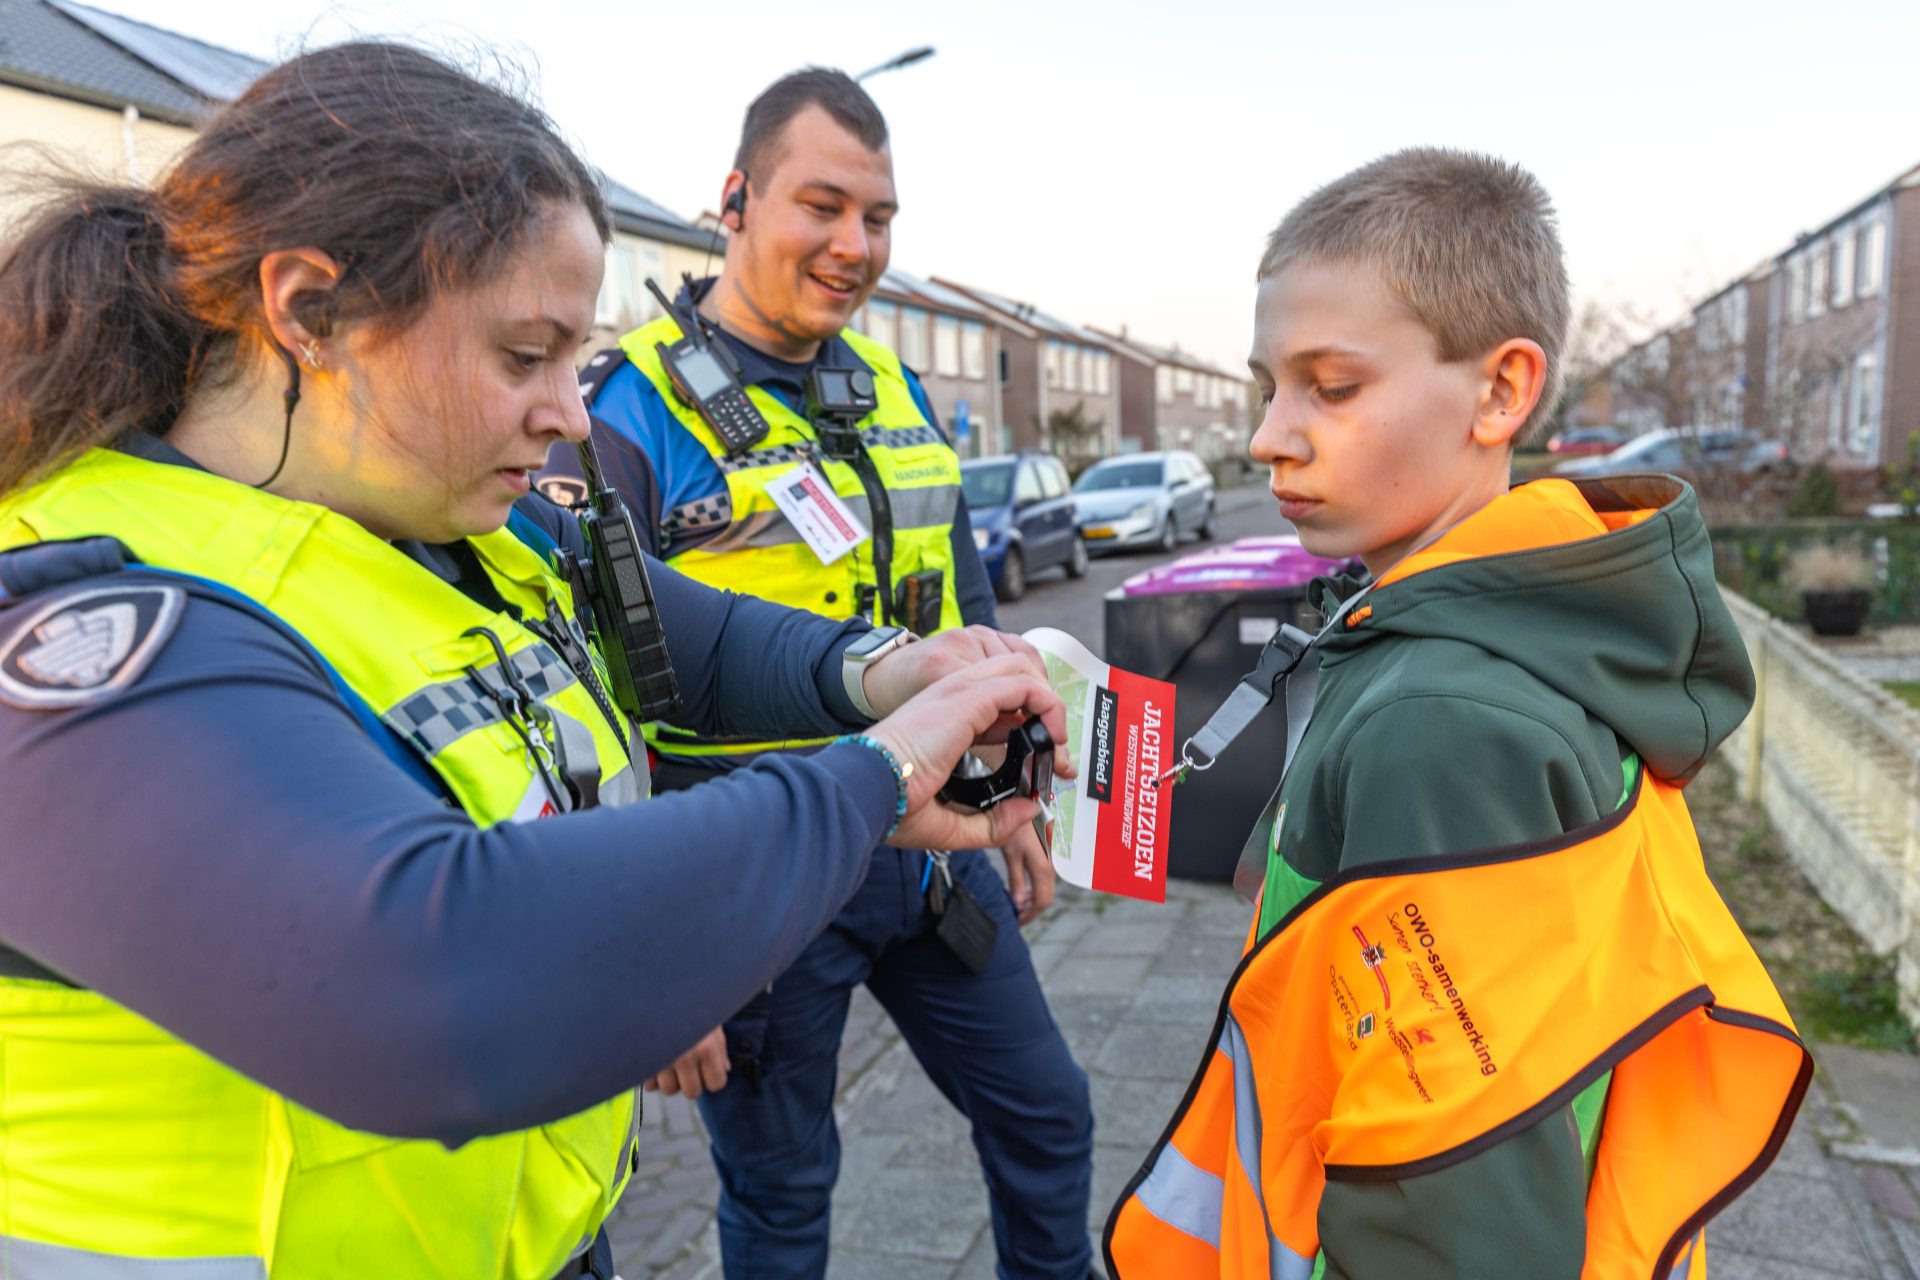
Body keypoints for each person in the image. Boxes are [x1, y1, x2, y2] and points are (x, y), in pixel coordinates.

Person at [0, 42, 1072, 1280]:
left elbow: (693, 634)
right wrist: (875, 777)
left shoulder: (451, 522)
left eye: (574, 355)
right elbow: (439, 976)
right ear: (308, 308)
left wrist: (894, 670)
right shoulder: (80, 616)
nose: (569, 409)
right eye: (524, 355)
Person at [1106, 149, 1811, 1278]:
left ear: (1500, 390)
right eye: (1267, 385)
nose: (1269, 435)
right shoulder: (1501, 632)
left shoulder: (1445, 717)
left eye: (1330, 387)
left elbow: (1452, 1200)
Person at [558, 68, 1095, 1280]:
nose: (856, 245)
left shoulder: (898, 387)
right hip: (756, 880)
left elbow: (969, 605)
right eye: (823, 205)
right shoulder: (618, 411)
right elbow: (581, 694)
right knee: (782, 1194)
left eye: (881, 216)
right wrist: (660, 949)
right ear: (735, 200)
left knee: (1048, 1116)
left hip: (931, 862)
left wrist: (1018, 798)